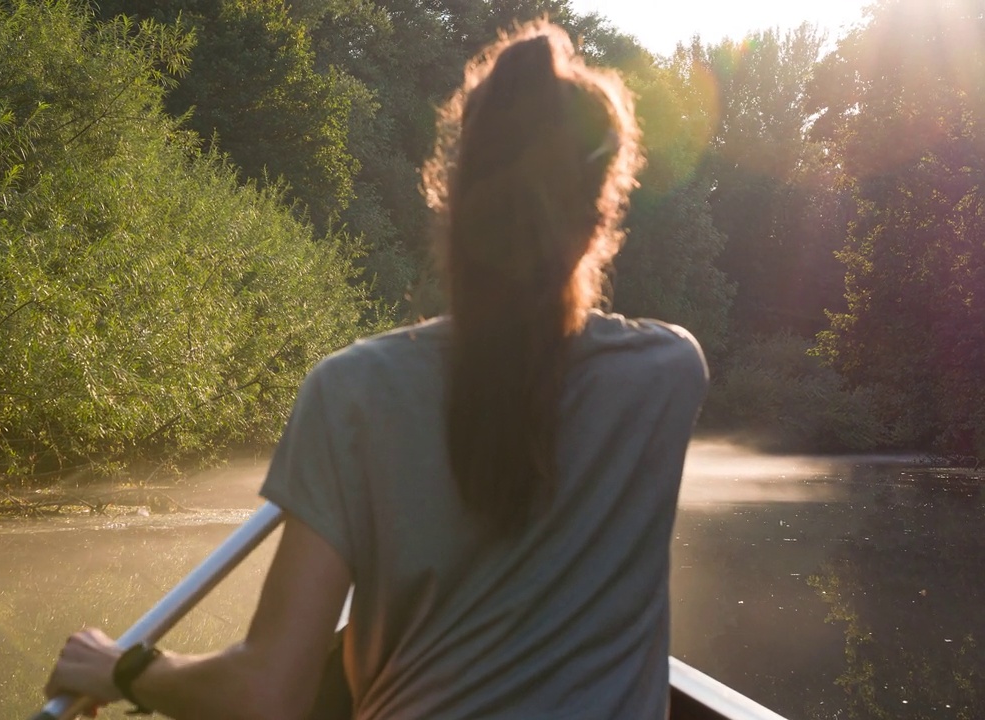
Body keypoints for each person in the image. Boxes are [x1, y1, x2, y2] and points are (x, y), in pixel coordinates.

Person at [44, 19, 707, 720]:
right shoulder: (667, 375)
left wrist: (126, 668)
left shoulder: (354, 392)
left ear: (449, 199)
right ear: (601, 216)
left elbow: (270, 695)